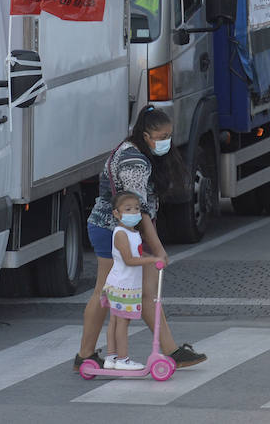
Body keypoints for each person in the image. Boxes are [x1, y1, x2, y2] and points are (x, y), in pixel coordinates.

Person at [76, 106, 205, 372]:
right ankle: (85, 355)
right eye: (161, 135)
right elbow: (139, 209)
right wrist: (159, 250)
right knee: (104, 292)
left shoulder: (130, 149)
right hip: (112, 231)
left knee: (146, 293)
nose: (166, 141)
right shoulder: (135, 161)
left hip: (118, 230)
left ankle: (172, 351)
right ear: (146, 136)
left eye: (169, 134)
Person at [101, 193, 160, 371]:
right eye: (128, 209)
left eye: (136, 208)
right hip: (122, 285)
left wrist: (149, 257)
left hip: (124, 284)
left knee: (115, 321)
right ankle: (122, 359)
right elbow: (129, 260)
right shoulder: (121, 234)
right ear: (117, 214)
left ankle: (111, 358)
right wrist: (151, 261)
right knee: (122, 322)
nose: (133, 212)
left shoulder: (133, 233)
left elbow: (136, 254)